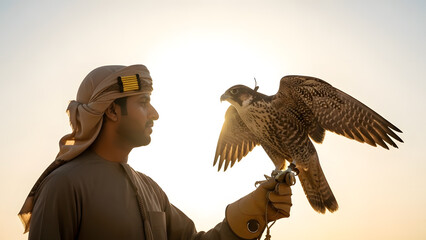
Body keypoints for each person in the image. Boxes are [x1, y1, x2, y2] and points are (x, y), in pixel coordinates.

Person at [18, 64, 293, 240]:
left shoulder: (150, 190)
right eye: (143, 103)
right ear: (112, 110)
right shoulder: (63, 186)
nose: (155, 114)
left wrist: (254, 210)